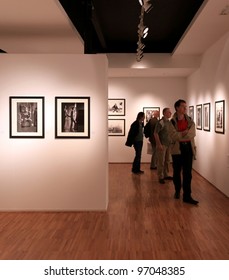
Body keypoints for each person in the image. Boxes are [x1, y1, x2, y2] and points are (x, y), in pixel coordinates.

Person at [168, 99, 199, 205]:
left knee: (187, 174)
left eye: (186, 106)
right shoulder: (172, 122)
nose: (185, 108)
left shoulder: (189, 120)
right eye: (183, 106)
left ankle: (187, 195)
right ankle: (177, 190)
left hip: (188, 149)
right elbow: (173, 136)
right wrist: (183, 134)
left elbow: (192, 134)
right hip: (177, 150)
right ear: (177, 108)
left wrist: (180, 134)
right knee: (176, 173)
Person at [154, 108, 173, 184]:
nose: (170, 113)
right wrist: (159, 144)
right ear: (164, 113)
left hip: (168, 144)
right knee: (161, 161)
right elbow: (155, 133)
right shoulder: (161, 122)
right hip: (162, 145)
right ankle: (160, 176)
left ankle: (165, 174)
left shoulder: (168, 122)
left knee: (167, 160)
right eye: (169, 112)